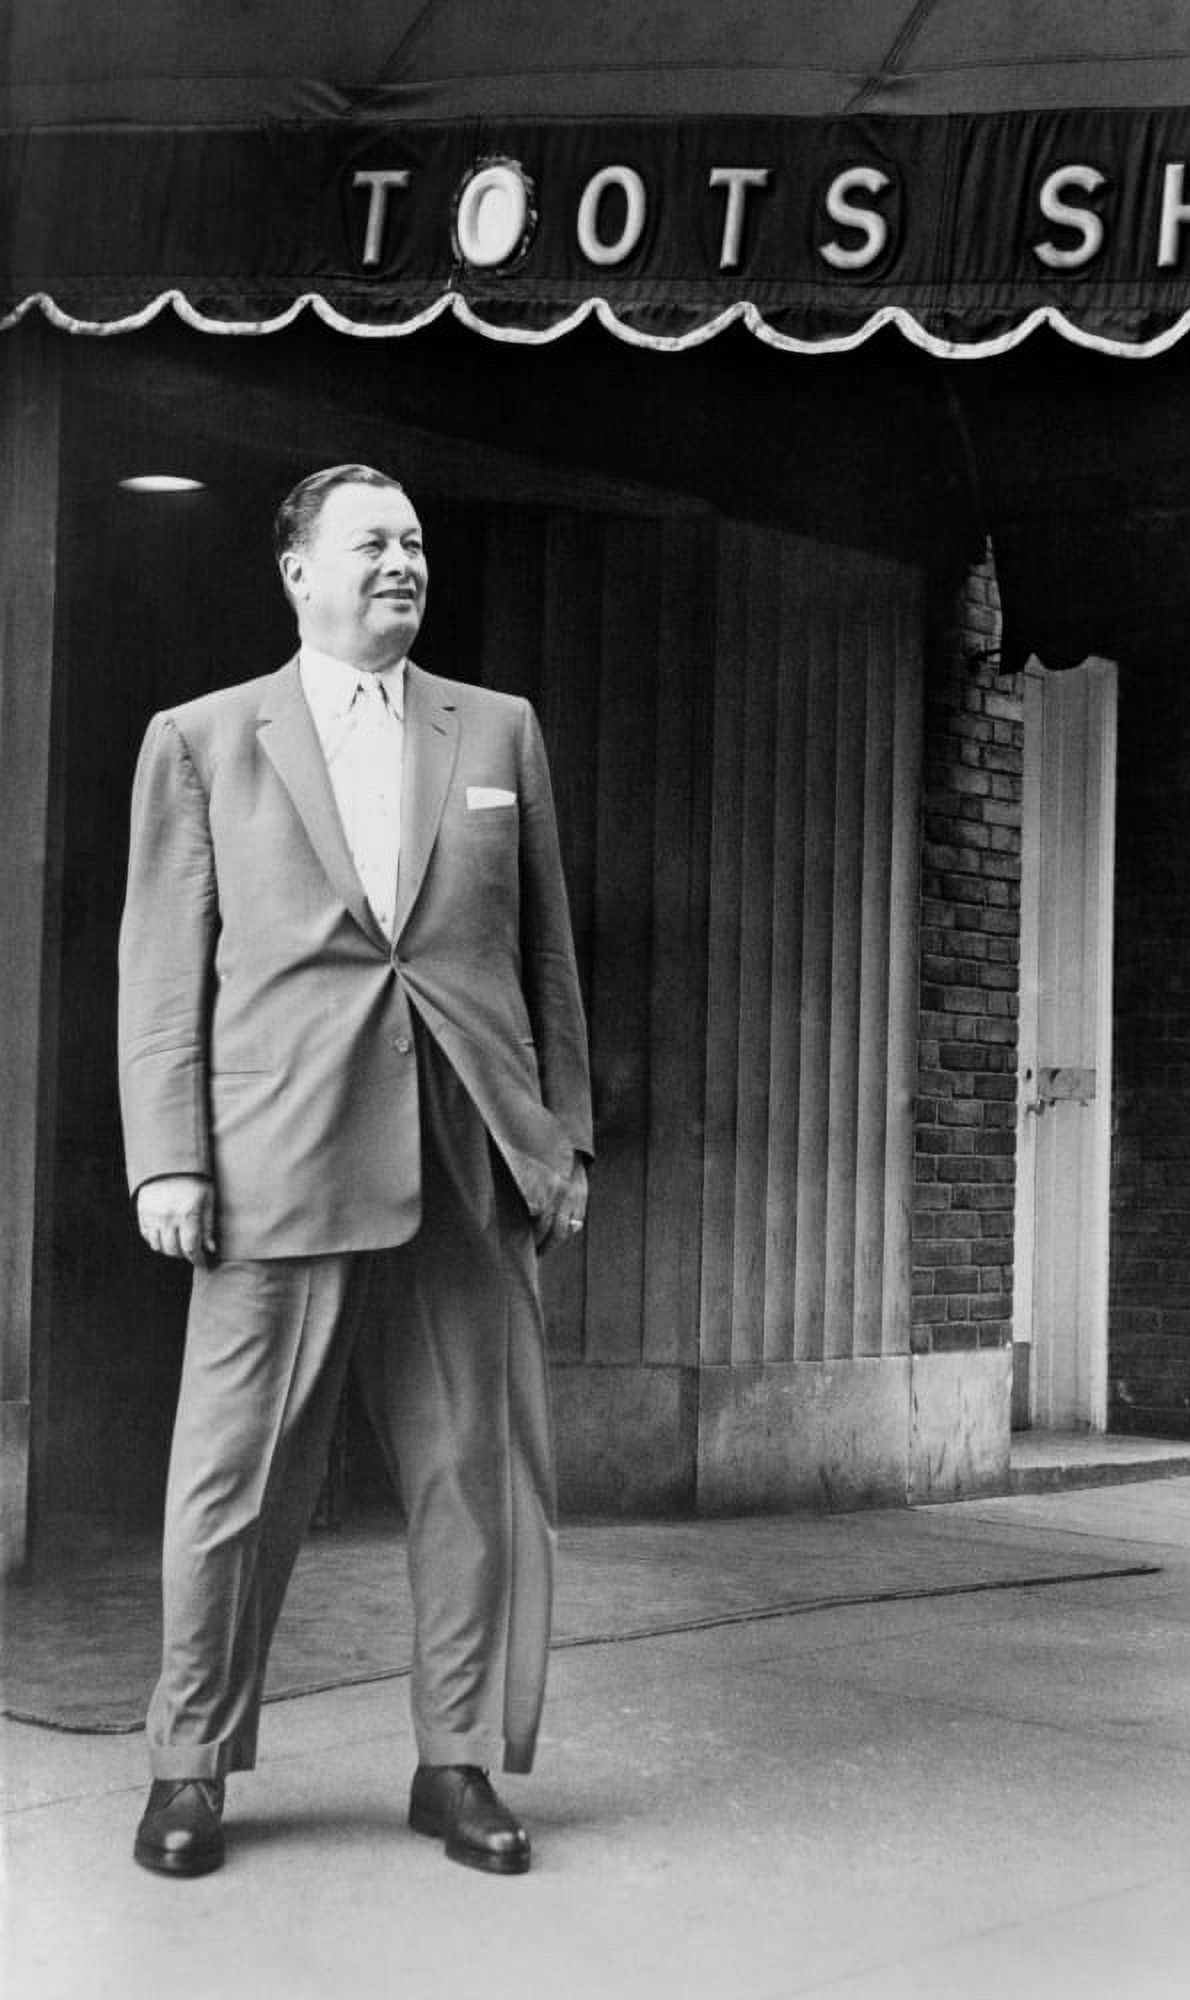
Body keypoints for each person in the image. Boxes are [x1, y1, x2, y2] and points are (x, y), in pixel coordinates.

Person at [117, 463, 592, 1879]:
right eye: (372, 543)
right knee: (233, 1482)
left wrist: (560, 1137)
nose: (402, 563)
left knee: (472, 1474)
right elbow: (162, 973)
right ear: (298, 573)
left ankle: (456, 1765)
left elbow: (547, 951)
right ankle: (188, 1769)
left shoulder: (497, 728)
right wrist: (167, 1160)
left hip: (467, 1145)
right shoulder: (203, 739)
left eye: (416, 543)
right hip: (276, 1153)